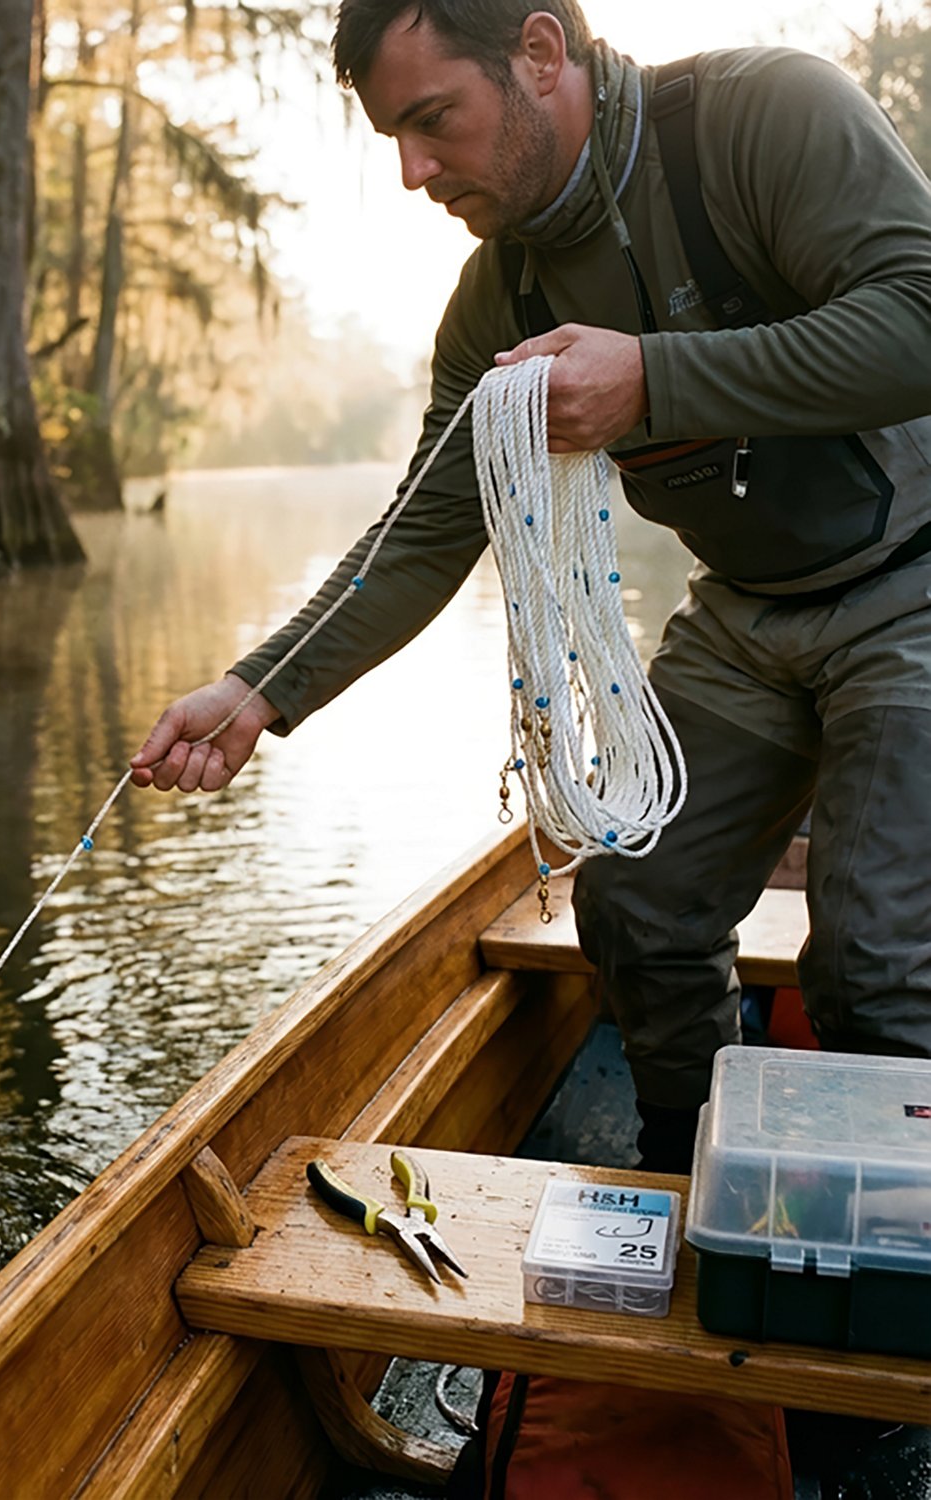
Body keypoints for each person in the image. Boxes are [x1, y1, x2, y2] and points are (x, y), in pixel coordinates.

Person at [129, 0, 931, 1171]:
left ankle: (889, 1297)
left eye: (433, 119)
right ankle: (685, 1180)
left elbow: (919, 319)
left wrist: (653, 381)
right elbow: (423, 536)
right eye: (393, 138)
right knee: (634, 914)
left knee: (873, 967)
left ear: (542, 54)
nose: (413, 171)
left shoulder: (761, 117)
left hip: (917, 581)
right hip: (748, 615)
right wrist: (257, 693)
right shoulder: (493, 307)